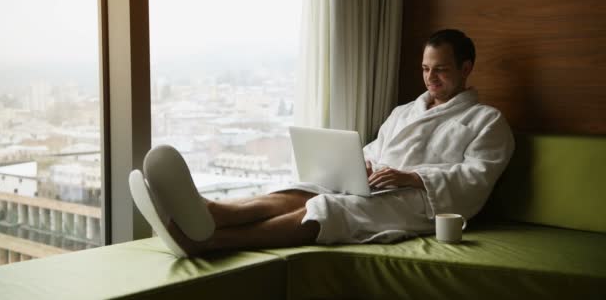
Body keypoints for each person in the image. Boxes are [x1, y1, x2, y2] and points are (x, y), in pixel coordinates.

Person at [129, 29, 515, 257]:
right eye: (426, 69)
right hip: (376, 186)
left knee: (327, 208)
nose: (430, 78)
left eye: (441, 70)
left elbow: (476, 181)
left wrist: (413, 178)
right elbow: (376, 150)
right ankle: (208, 211)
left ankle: (212, 241)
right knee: (303, 190)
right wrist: (361, 166)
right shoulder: (405, 111)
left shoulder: (487, 121)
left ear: (466, 69)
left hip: (418, 205)